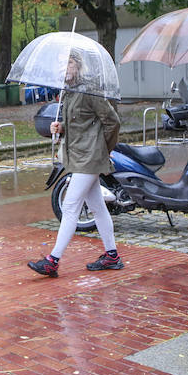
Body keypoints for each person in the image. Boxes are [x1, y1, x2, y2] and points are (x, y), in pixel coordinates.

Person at [28, 52, 123, 277]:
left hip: (89, 158)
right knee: (97, 206)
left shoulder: (90, 90)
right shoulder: (68, 92)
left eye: (68, 63)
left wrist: (104, 150)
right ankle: (112, 256)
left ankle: (52, 260)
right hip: (78, 156)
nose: (64, 68)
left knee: (70, 207)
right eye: (61, 64)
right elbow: (78, 123)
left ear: (78, 65)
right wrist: (59, 128)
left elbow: (113, 122)